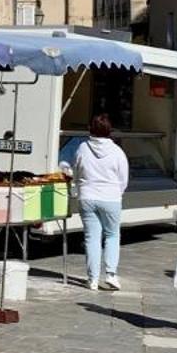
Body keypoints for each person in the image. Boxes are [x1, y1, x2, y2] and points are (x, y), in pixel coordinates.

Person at [71, 114, 130, 292]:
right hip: (111, 197)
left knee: (92, 238)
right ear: (109, 131)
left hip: (87, 196)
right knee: (112, 235)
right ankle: (111, 275)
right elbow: (123, 179)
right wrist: (117, 192)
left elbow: (76, 171)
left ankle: (93, 279)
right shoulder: (117, 151)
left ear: (90, 129)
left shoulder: (82, 148)